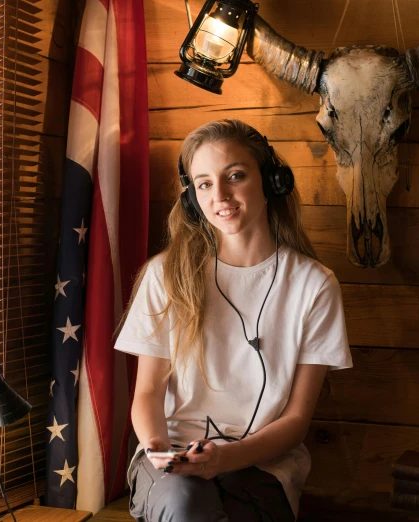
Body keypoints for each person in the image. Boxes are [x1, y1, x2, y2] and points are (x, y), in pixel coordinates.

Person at [113, 119, 353, 521]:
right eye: (204, 184)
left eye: (235, 176)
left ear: (272, 181)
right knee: (187, 504)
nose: (220, 195)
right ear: (192, 198)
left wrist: (226, 458)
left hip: (262, 464)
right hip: (171, 462)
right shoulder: (164, 274)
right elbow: (148, 392)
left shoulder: (316, 285)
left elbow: (295, 421)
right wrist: (161, 451)